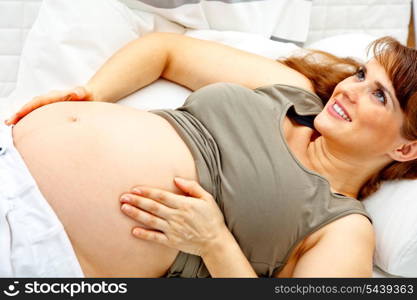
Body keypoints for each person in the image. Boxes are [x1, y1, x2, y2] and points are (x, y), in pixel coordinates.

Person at [3, 32, 417, 278]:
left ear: (404, 147)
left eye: (378, 95)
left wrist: (215, 244)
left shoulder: (343, 226)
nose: (349, 89)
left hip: (38, 243)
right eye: (362, 74)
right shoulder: (293, 93)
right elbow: (166, 49)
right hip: (9, 153)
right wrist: (91, 94)